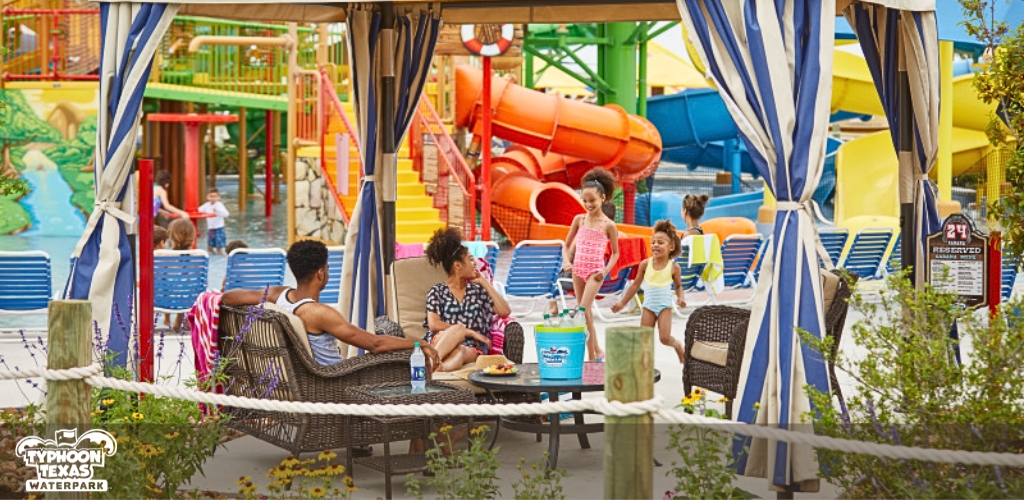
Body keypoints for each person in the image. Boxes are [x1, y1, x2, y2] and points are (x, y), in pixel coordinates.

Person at [221, 239, 441, 368]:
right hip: (333, 379)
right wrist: (418, 343)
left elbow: (228, 296)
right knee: (403, 355)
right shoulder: (318, 313)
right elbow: (375, 345)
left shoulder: (276, 295)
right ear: (320, 273)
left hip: (301, 375)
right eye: (327, 268)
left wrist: (211, 298)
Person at [424, 227, 512, 372]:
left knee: (460, 351)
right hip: (442, 339)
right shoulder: (437, 291)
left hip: (472, 347)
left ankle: (430, 369)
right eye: (471, 259)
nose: (475, 263)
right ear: (457, 265)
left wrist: (484, 282)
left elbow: (505, 311)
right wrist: (469, 332)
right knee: (458, 330)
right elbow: (434, 324)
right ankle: (434, 364)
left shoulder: (478, 292)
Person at [562, 167, 619, 362]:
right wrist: (567, 261)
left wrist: (604, 271)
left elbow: (616, 254)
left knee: (582, 312)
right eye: (584, 200)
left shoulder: (608, 225)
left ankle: (591, 360)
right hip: (578, 270)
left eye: (592, 200)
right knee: (585, 315)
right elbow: (566, 245)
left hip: (595, 272)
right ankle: (598, 352)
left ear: (602, 198)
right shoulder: (578, 220)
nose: (588, 204)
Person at [611, 220, 687, 363]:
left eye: (660, 242)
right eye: (653, 242)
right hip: (648, 306)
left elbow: (678, 286)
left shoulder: (674, 267)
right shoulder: (645, 264)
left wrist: (680, 298)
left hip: (664, 306)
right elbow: (634, 286)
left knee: (664, 338)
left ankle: (677, 345)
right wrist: (622, 303)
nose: (655, 245)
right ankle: (643, 364)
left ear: (671, 246)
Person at [199, 187, 230, 255]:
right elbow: (199, 210)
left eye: (215, 196)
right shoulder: (206, 205)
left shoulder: (219, 205)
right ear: (207, 197)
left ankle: (220, 257)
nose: (213, 198)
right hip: (211, 229)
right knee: (209, 246)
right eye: (211, 196)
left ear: (218, 197)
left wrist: (217, 210)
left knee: (219, 247)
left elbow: (226, 214)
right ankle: (212, 258)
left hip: (219, 228)